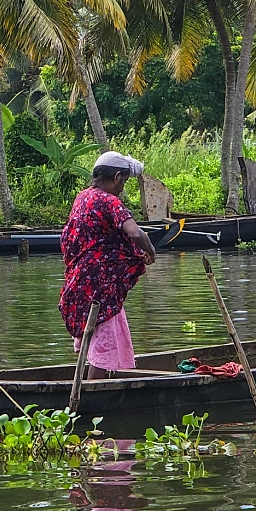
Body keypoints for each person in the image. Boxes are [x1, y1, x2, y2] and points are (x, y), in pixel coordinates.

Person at [59, 151, 157, 379]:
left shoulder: (82, 197)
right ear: (116, 177)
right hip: (101, 287)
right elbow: (134, 232)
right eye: (123, 181)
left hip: (80, 283)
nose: (122, 187)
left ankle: (85, 390)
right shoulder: (109, 201)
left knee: (95, 342)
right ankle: (92, 395)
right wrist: (150, 250)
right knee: (104, 345)